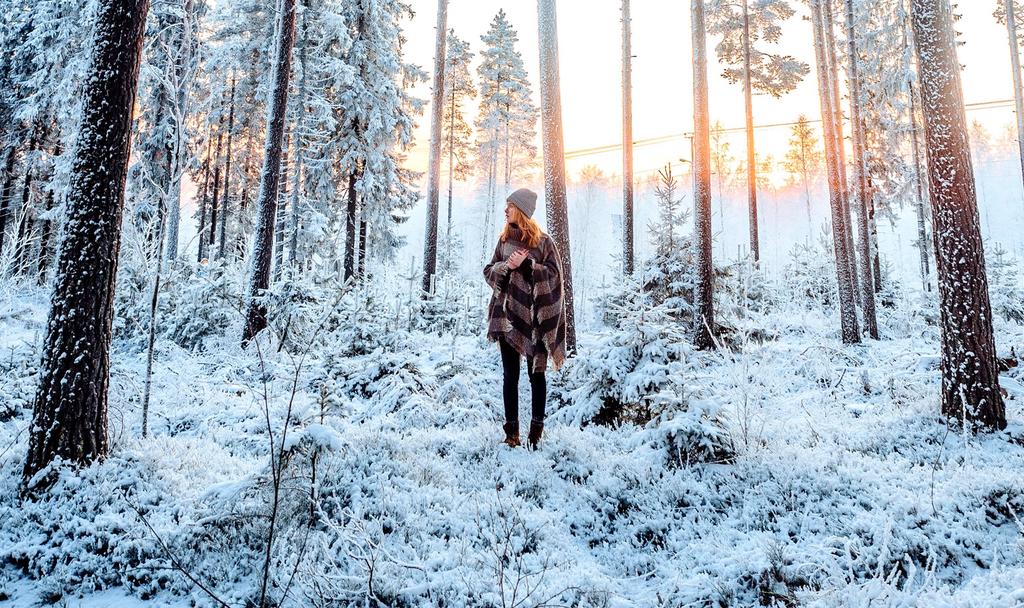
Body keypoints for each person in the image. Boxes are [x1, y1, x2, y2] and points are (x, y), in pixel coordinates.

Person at [482, 188, 567, 449]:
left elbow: (555, 276)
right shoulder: (504, 241)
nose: (505, 210)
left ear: (521, 210)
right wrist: (506, 267)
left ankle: (536, 434)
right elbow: (488, 271)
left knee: (536, 375)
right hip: (507, 318)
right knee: (510, 376)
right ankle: (512, 434)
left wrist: (528, 266)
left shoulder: (544, 243)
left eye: (509, 206)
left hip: (535, 322)